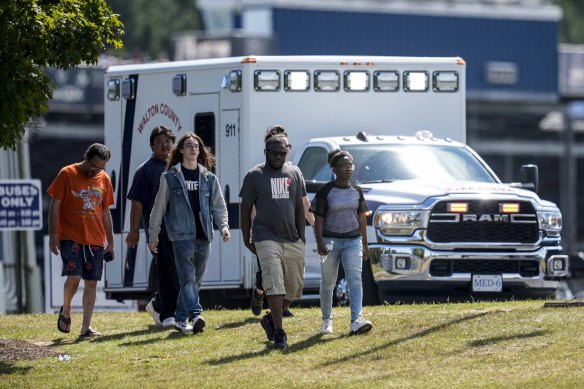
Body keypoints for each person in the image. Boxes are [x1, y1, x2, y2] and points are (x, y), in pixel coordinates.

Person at [148, 132, 230, 334]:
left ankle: (181, 318)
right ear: (181, 150)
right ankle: (196, 313)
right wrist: (153, 235)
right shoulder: (170, 177)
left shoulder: (209, 178)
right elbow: (158, 208)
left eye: (196, 146)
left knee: (197, 280)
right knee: (187, 278)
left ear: (200, 151)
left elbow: (218, 206)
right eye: (189, 145)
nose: (193, 149)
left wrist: (224, 226)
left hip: (204, 235)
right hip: (181, 235)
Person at [240, 127, 307, 350]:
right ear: (266, 151)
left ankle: (269, 318)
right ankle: (279, 332)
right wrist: (246, 237)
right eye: (274, 153)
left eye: (283, 153)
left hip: (292, 238)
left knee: (295, 287)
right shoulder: (254, 176)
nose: (279, 157)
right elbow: (245, 208)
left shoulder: (294, 173)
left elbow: (299, 206)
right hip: (265, 236)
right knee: (274, 281)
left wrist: (302, 235)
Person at [48, 143, 114, 338]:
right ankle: (66, 310)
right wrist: (53, 235)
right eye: (93, 166)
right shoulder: (67, 173)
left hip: (95, 239)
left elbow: (105, 212)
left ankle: (86, 328)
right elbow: (55, 206)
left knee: (91, 282)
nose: (96, 171)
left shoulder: (105, 179)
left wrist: (110, 241)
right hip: (70, 236)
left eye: (101, 167)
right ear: (86, 158)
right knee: (74, 278)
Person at [250, 125, 315, 317]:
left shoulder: (294, 172)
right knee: (267, 274)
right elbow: (252, 206)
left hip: (289, 233)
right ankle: (259, 293)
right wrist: (255, 229)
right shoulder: (259, 173)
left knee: (287, 274)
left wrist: (317, 225)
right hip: (266, 234)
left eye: (285, 146)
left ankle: (278, 310)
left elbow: (304, 203)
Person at [312, 150, 373, 336]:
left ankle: (356, 320)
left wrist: (364, 244)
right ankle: (327, 320)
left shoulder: (357, 190)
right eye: (344, 165)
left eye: (350, 165)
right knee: (328, 282)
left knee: (355, 279)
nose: (349, 168)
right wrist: (320, 242)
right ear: (334, 169)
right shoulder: (325, 191)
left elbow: (362, 218)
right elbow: (318, 219)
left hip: (353, 240)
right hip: (330, 241)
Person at [126, 126, 178, 329]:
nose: (164, 145)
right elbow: (137, 203)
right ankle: (166, 313)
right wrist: (134, 231)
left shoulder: (180, 166)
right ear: (152, 146)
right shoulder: (145, 170)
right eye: (159, 142)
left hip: (181, 230)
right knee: (166, 272)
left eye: (167, 141)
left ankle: (157, 304)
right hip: (158, 231)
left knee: (180, 272)